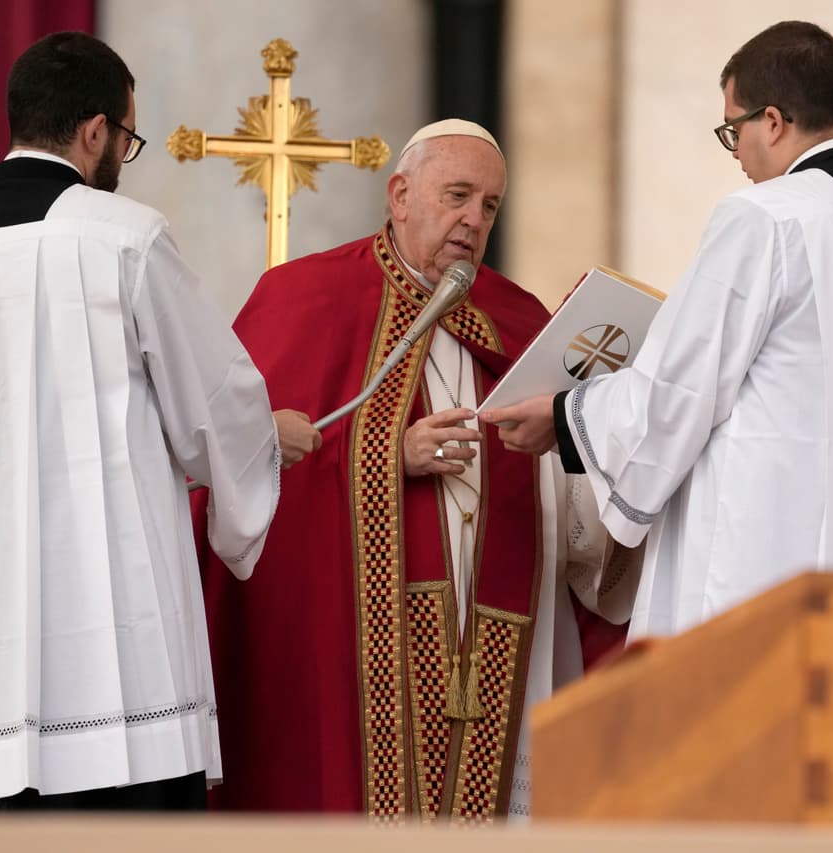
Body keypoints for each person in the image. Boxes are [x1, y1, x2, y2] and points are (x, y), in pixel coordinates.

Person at [485, 21, 833, 640]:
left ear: (772, 122)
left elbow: (676, 392)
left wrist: (564, 418)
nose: (737, 153)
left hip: (772, 585)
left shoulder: (765, 220)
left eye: (732, 130)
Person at [192, 119, 634, 822]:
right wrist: (386, 454)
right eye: (457, 195)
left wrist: (584, 438)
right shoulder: (304, 297)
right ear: (399, 194)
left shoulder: (516, 316)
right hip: (353, 655)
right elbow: (230, 470)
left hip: (493, 634)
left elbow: (568, 482)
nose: (473, 219)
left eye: (489, 205)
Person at [0, 31, 319, 809]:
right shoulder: (122, 238)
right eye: (126, 138)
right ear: (95, 130)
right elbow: (216, 403)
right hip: (113, 652)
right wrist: (269, 437)